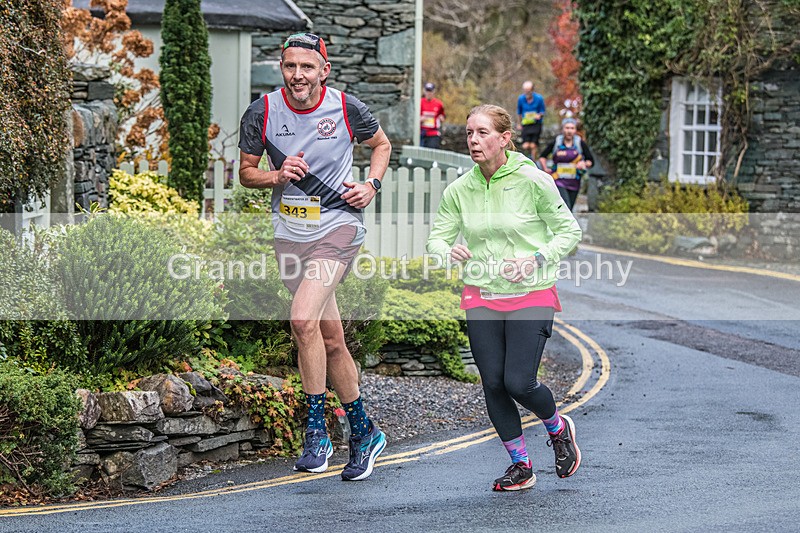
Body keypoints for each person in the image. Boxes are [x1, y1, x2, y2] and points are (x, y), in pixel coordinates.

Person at [237, 32, 390, 481]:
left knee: (302, 319)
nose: (297, 75)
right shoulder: (262, 111)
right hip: (290, 233)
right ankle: (364, 432)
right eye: (290, 67)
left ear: (324, 70)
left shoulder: (347, 107)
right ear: (280, 69)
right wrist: (276, 174)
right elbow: (246, 173)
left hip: (339, 227)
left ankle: (316, 431)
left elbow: (381, 145)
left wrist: (371, 185)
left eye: (307, 67)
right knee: (330, 338)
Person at [426, 104, 582, 491]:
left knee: (519, 382)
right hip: (481, 293)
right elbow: (437, 239)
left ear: (504, 138)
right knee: (493, 383)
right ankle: (521, 466)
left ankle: (558, 428)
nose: (473, 141)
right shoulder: (460, 189)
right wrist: (446, 251)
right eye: (468, 133)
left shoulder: (534, 180)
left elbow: (569, 232)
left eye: (482, 133)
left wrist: (536, 259)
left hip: (531, 292)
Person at [538, 117, 594, 211]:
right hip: (558, 181)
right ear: (562, 129)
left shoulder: (579, 143)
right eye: (567, 128)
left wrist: (583, 163)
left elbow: (590, 161)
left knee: (569, 209)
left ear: (575, 130)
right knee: (565, 207)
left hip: (574, 182)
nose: (569, 131)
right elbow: (542, 156)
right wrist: (545, 169)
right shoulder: (557, 142)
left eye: (572, 128)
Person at [516, 81, 546, 161]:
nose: (527, 92)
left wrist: (538, 115)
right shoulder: (521, 99)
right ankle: (525, 159)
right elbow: (519, 112)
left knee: (533, 145)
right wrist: (519, 123)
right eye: (525, 90)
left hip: (536, 124)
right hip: (526, 124)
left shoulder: (539, 98)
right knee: (525, 145)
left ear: (532, 90)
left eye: (528, 90)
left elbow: (542, 111)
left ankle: (533, 161)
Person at [420, 82, 446, 149]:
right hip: (421, 133)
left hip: (433, 133)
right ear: (424, 91)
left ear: (434, 91)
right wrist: (420, 119)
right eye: (427, 91)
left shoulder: (438, 104)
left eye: (430, 91)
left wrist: (441, 118)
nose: (429, 93)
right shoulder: (420, 102)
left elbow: (442, 116)